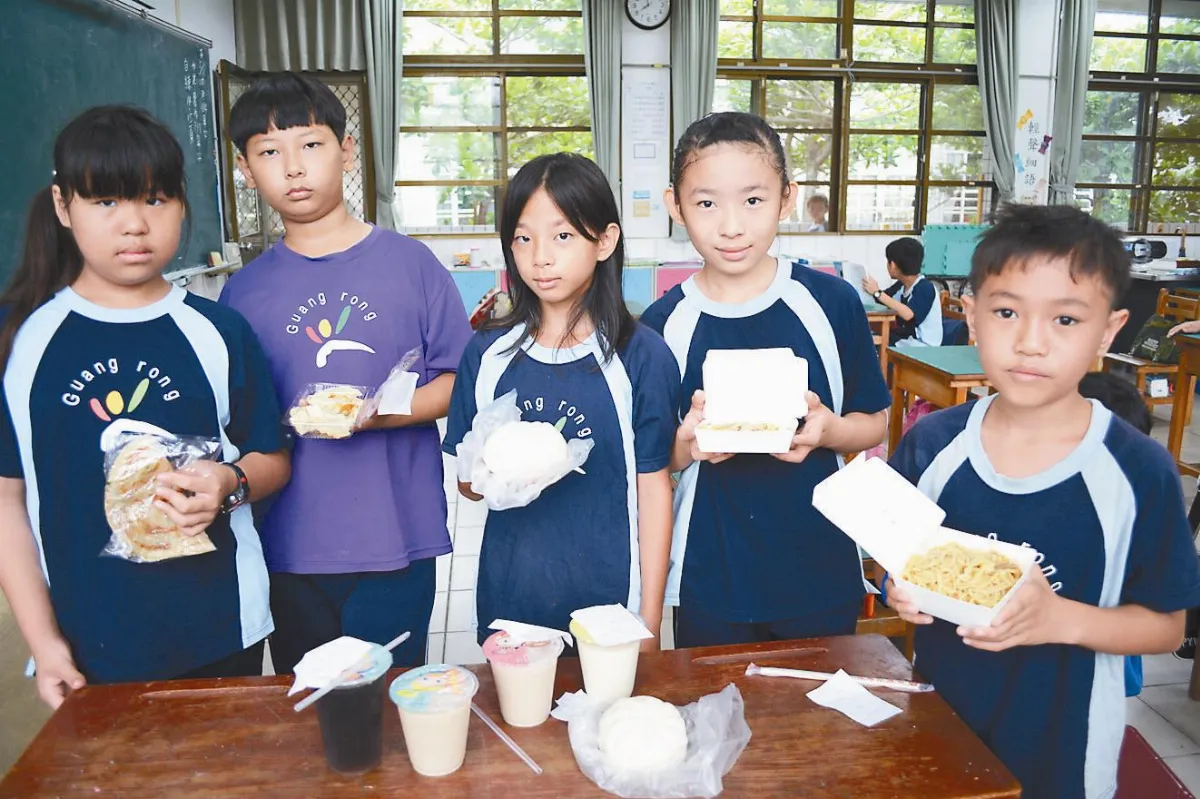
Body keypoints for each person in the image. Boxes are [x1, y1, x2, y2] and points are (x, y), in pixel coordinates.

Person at [886, 204, 1200, 799]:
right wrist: (898, 589)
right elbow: (895, 563)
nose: (1031, 343)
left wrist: (1057, 619)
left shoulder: (1137, 471)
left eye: (1066, 319)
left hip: (1064, 753)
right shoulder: (932, 444)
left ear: (1108, 331)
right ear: (971, 315)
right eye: (1007, 312)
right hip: (937, 727)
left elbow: (1166, 628)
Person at [0, 106, 290, 707]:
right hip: (87, 642)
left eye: (155, 199)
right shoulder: (21, 340)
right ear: (63, 207)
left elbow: (273, 459)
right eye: (105, 201)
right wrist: (45, 643)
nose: (134, 224)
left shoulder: (219, 331)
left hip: (221, 628)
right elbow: (6, 501)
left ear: (182, 204)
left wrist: (229, 483)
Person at [220, 72, 472, 671]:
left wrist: (376, 415)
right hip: (287, 545)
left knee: (390, 702)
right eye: (269, 152)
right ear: (245, 169)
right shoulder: (242, 294)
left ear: (347, 150)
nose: (294, 168)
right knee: (313, 707)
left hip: (397, 537)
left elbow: (458, 381)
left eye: (310, 144)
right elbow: (240, 423)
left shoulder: (412, 265)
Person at [640, 112, 890, 649]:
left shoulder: (831, 303)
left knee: (820, 704)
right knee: (714, 702)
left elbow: (874, 423)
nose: (731, 226)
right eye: (707, 203)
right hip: (709, 574)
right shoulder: (662, 325)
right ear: (675, 207)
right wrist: (687, 445)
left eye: (753, 200)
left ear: (786, 199)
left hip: (820, 563)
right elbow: (656, 461)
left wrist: (828, 431)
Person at [443, 153, 678, 647]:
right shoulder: (487, 354)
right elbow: (468, 487)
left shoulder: (641, 356)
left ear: (605, 241)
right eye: (523, 238)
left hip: (612, 601)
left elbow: (654, 488)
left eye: (563, 236)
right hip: (512, 597)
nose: (540, 257)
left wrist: (650, 619)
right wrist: (495, 472)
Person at [862, 237, 943, 347]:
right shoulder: (902, 284)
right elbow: (882, 300)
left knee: (873, 345)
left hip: (922, 346)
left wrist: (877, 293)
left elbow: (908, 314)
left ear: (893, 265)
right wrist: (870, 290)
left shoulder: (925, 288)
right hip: (904, 339)